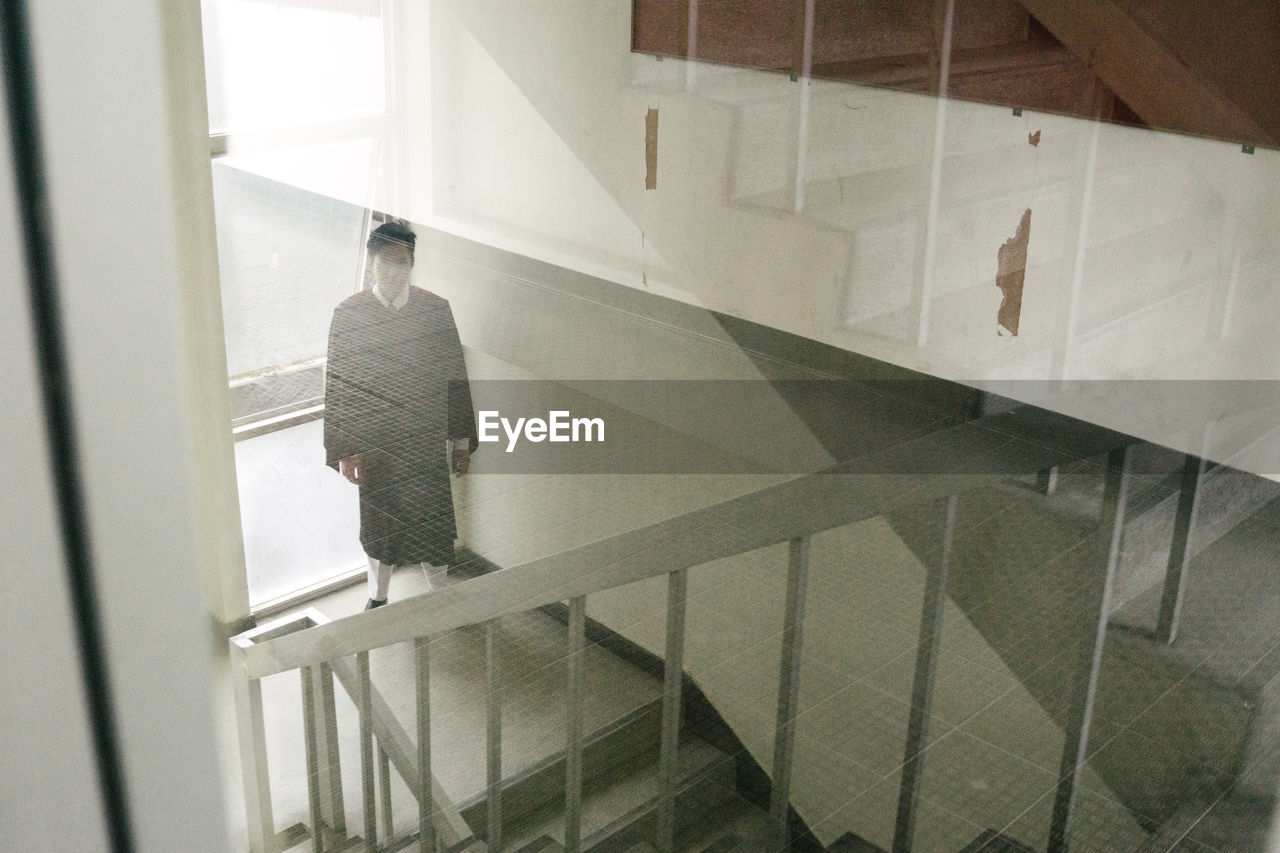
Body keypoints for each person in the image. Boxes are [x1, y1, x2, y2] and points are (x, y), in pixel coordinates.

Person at [323, 221, 478, 610]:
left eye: (402, 262)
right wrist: (346, 451)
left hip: (422, 439)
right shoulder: (349, 314)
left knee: (432, 520)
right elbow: (339, 385)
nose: (394, 271)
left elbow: (455, 378)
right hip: (375, 444)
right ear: (371, 261)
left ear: (412, 264)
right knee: (380, 525)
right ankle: (378, 598)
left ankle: (441, 598)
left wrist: (461, 442)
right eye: (385, 262)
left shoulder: (435, 310)